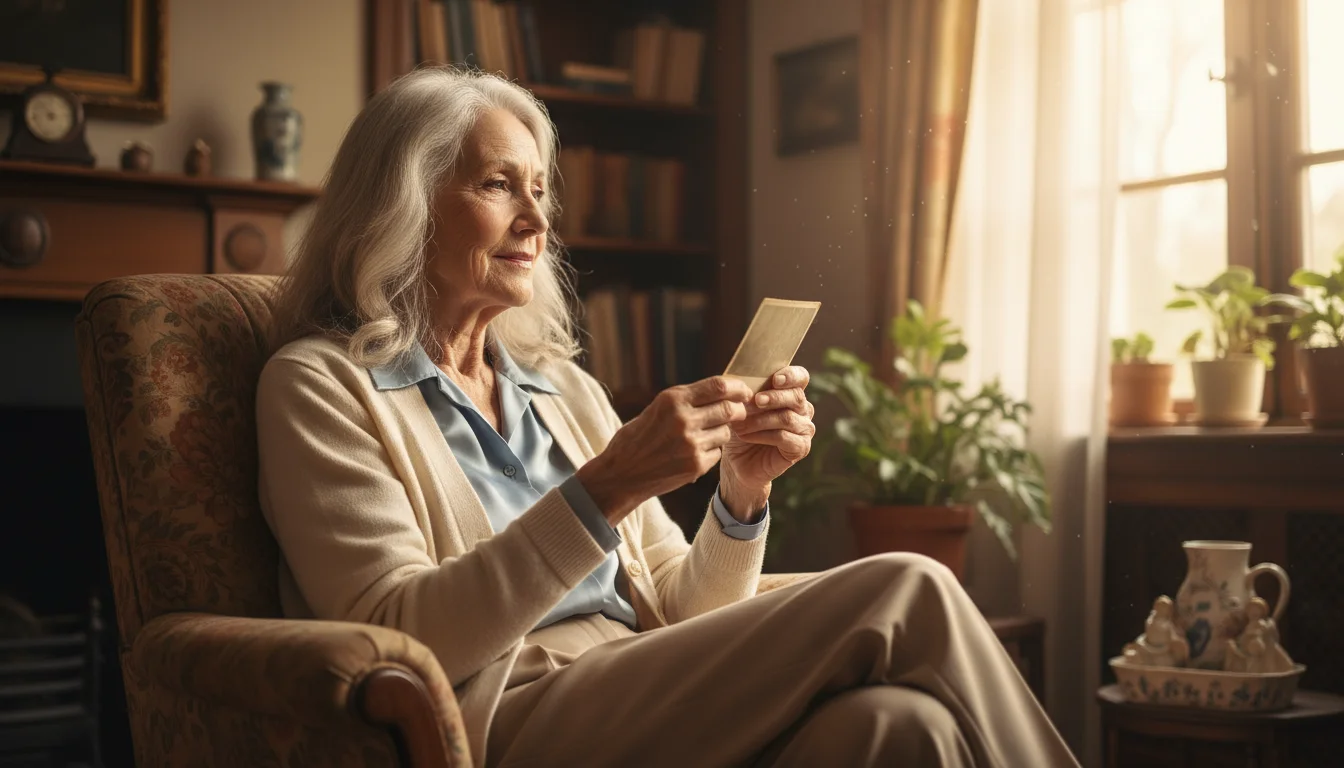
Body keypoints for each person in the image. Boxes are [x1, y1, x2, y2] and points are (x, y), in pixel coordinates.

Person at [256, 67, 1078, 768]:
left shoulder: (558, 389)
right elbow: (397, 636)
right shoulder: (323, 388)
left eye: (539, 190)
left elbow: (690, 615)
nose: (537, 222)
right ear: (405, 203)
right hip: (505, 710)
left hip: (640, 674)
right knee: (911, 582)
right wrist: (606, 486)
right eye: (498, 184)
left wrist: (741, 493)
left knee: (904, 728)